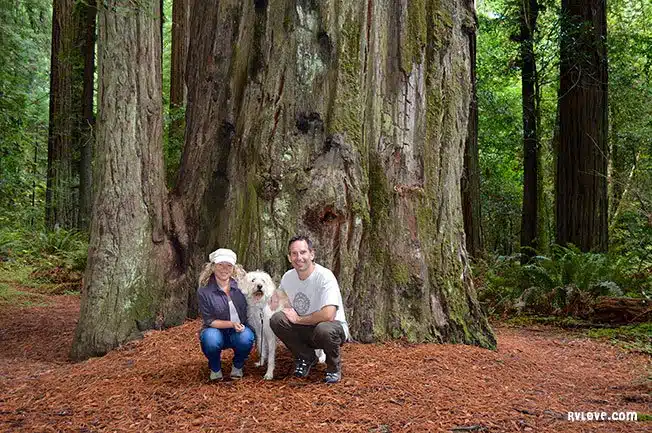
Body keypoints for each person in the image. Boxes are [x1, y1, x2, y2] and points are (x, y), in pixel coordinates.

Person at [270, 235, 350, 384]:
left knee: (324, 329)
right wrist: (276, 299)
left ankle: (333, 367)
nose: (298, 257)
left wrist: (299, 319)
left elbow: (329, 314)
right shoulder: (288, 277)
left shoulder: (325, 277)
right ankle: (306, 356)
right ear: (289, 257)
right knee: (277, 320)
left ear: (312, 254)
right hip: (305, 328)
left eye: (303, 252)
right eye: (294, 253)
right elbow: (280, 295)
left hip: (330, 327)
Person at [197, 248, 254, 381]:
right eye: (220, 265)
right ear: (213, 267)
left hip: (239, 330)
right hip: (215, 329)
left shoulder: (242, 285)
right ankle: (215, 367)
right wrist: (231, 324)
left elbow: (258, 297)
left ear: (233, 268)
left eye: (228, 265)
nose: (224, 269)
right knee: (210, 339)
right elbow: (209, 320)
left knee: (246, 337)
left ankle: (238, 365)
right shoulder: (204, 290)